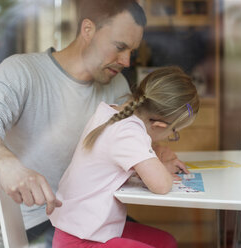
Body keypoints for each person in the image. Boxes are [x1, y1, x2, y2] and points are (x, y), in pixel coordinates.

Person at [0, 0, 187, 245]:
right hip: (36, 222)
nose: (126, 61)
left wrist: (157, 155)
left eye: (132, 52)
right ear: (87, 30)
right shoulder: (22, 71)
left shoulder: (116, 86)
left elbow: (127, 145)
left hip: (92, 218)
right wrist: (7, 164)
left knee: (164, 242)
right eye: (119, 46)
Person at [50, 66, 199, 247]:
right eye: (174, 132)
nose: (171, 138)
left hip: (84, 229)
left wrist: (160, 165)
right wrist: (162, 171)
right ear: (159, 124)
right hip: (81, 240)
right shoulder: (128, 131)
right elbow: (161, 185)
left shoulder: (113, 114)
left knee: (166, 242)